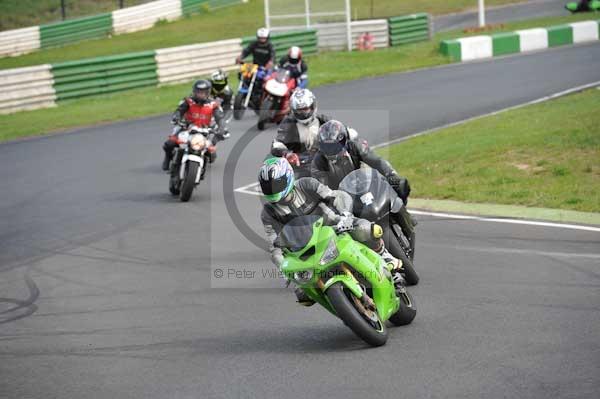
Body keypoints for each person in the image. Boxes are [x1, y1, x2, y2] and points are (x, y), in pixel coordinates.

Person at [258, 157, 404, 306]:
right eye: (268, 187)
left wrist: (345, 215)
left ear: (288, 176)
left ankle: (384, 256)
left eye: (276, 184)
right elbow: (274, 246)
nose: (273, 190)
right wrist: (285, 269)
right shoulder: (268, 213)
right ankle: (341, 305)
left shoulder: (306, 184)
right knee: (303, 294)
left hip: (334, 226)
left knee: (366, 229)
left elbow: (334, 196)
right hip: (305, 249)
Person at [162, 79, 228, 171]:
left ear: (208, 93)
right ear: (194, 92)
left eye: (203, 93)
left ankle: (201, 162)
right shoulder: (188, 101)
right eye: (198, 92)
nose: (200, 95)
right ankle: (168, 158)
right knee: (170, 143)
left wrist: (222, 128)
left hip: (204, 131)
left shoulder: (213, 105)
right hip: (186, 128)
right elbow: (179, 110)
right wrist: (176, 117)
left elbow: (220, 118)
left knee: (211, 153)